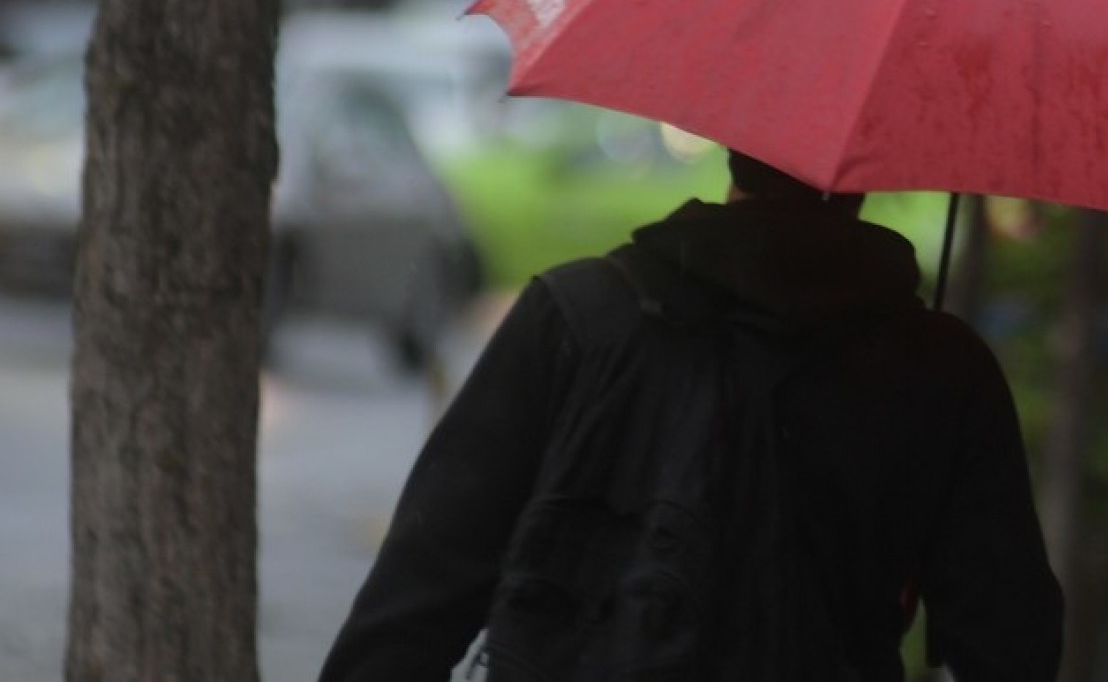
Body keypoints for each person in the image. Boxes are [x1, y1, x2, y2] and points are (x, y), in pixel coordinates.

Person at [319, 151, 1063, 681]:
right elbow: (1012, 645)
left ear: (732, 143)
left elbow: (416, 603)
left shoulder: (576, 318)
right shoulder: (939, 370)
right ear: (872, 173)